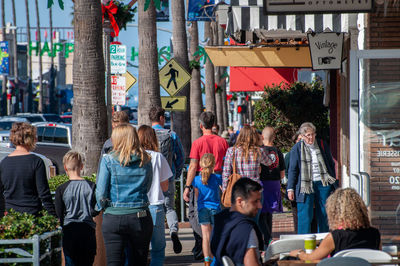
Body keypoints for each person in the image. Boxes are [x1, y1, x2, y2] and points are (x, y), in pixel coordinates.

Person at [96, 124, 153, 265]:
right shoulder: (146, 159)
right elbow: (147, 186)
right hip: (140, 215)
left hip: (114, 216)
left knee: (114, 262)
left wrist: (103, 206)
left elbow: (101, 192)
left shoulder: (108, 160)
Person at [183, 111, 228, 260]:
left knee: (201, 221)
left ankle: (205, 253)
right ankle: (218, 256)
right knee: (218, 225)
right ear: (213, 125)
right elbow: (227, 166)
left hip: (201, 183)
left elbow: (192, 166)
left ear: (201, 125)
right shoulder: (223, 142)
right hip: (219, 183)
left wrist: (187, 187)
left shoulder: (197, 143)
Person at [289, 188, 381, 260]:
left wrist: (298, 253)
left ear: (335, 211)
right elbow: (378, 257)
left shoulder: (335, 237)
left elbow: (312, 258)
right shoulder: (375, 234)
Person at [287, 122, 337, 234]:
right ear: (302, 136)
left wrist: (332, 179)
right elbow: (292, 169)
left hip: (322, 183)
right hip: (305, 185)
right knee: (305, 215)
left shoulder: (322, 144)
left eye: (312, 134)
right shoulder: (297, 148)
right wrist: (290, 188)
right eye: (307, 135)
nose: (311, 137)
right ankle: (303, 243)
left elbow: (330, 163)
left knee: (324, 214)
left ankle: (323, 242)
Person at [149, 106, 185, 254]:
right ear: (162, 118)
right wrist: (175, 173)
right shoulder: (171, 135)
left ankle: (152, 237)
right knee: (169, 208)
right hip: (168, 176)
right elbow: (180, 156)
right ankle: (173, 231)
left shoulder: (146, 135)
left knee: (151, 206)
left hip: (149, 178)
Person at [0, 122, 55, 217]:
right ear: (30, 139)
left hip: (10, 215)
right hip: (32, 213)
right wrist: (53, 215)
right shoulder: (36, 161)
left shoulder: (4, 163)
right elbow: (44, 194)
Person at [55, 151, 98, 266]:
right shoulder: (91, 186)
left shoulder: (61, 189)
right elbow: (95, 210)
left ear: (65, 168)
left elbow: (58, 214)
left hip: (69, 231)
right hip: (87, 230)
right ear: (82, 166)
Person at [137, 125, 172, 266]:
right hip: (155, 206)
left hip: (138, 206)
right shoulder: (158, 157)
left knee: (139, 249)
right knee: (158, 250)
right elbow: (165, 186)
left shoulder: (135, 157)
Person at [211, 178, 264, 266]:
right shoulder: (245, 229)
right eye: (255, 201)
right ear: (240, 201)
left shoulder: (221, 220)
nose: (260, 206)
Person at [222, 125, 273, 191]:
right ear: (254, 137)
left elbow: (226, 173)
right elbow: (269, 162)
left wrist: (225, 190)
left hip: (239, 190)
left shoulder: (231, 151)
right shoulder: (259, 151)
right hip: (255, 189)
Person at [193, 153, 222, 266]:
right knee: (215, 235)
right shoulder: (217, 178)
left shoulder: (196, 180)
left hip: (202, 209)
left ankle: (207, 260)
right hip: (215, 208)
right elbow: (223, 190)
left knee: (205, 236)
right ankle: (215, 258)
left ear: (201, 164)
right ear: (213, 164)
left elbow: (196, 195)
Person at [259, 126, 285, 246]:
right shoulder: (278, 151)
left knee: (262, 212)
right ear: (274, 137)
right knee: (270, 213)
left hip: (262, 183)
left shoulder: (259, 151)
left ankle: (265, 238)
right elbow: (282, 172)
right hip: (274, 183)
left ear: (262, 137)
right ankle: (269, 237)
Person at [284, 131, 302, 233]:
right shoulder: (290, 155)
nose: (301, 142)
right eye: (299, 140)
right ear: (295, 141)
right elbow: (287, 171)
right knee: (296, 214)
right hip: (295, 188)